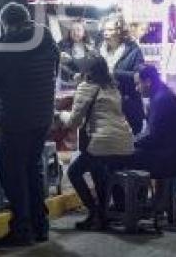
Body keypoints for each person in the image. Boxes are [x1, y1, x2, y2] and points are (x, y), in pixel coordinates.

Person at [0, 3, 58, 247]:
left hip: (17, 116)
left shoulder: (10, 44)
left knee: (13, 172)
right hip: (43, 115)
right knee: (32, 169)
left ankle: (21, 229)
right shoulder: (47, 39)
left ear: (7, 23)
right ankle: (40, 225)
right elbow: (54, 73)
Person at [58, 56, 135, 231]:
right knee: (97, 169)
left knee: (74, 172)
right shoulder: (112, 87)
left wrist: (61, 114)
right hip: (124, 141)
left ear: (88, 71)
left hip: (103, 141)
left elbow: (74, 122)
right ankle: (102, 215)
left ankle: (94, 212)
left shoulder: (86, 87)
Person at [134, 64, 176, 180]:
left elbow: (152, 136)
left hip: (171, 157)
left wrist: (130, 142)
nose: (136, 88)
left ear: (148, 82)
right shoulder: (162, 93)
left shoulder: (160, 99)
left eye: (138, 84)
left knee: (122, 158)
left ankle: (131, 197)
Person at [99, 14, 145, 134]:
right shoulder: (99, 50)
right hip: (104, 110)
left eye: (109, 30)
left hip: (127, 109)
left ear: (119, 32)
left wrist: (114, 74)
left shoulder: (133, 50)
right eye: (104, 30)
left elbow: (139, 75)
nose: (105, 33)